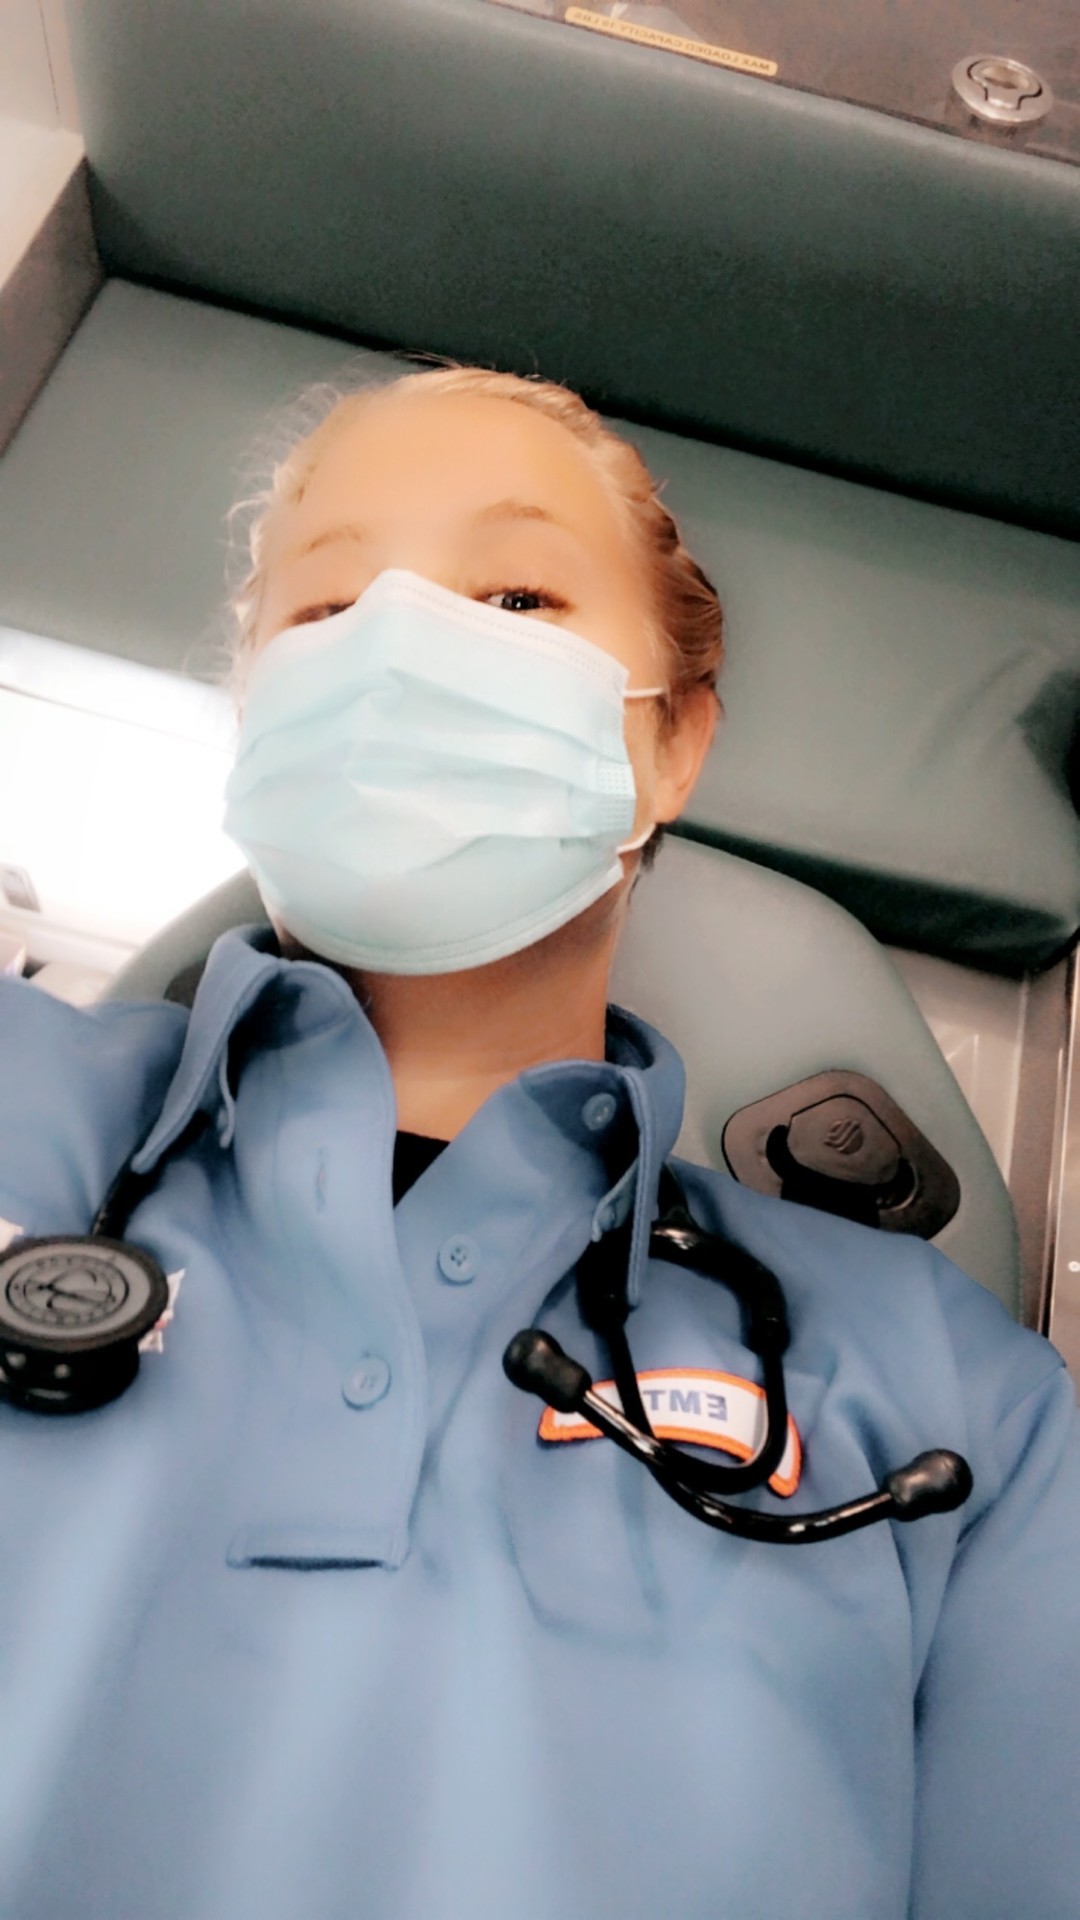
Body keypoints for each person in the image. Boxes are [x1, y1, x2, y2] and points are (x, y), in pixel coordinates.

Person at [1, 363, 1078, 1920]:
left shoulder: (959, 1403)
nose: (400, 651)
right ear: (253, 715)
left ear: (673, 742)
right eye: (326, 610)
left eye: (515, 598)